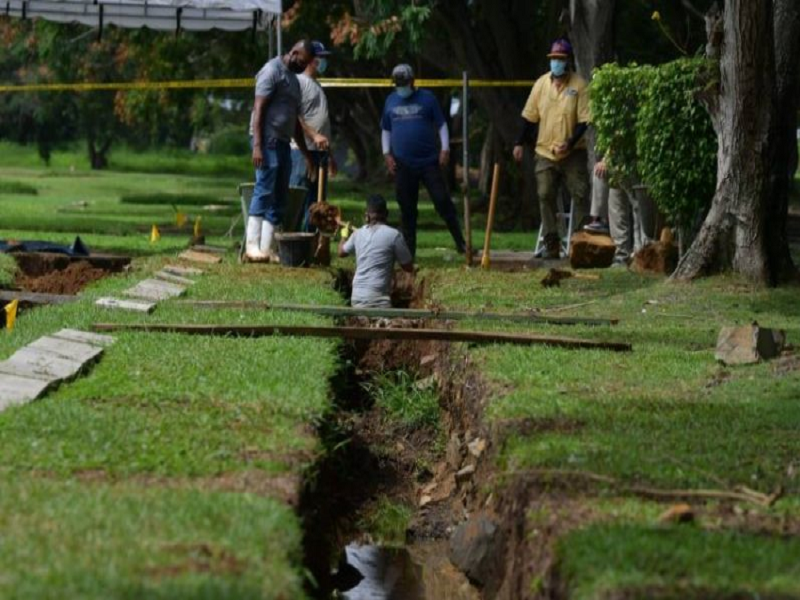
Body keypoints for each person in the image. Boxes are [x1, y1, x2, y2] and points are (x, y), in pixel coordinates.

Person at [246, 40, 328, 262]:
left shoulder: (293, 80)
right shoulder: (272, 71)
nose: (303, 67)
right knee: (264, 188)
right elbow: (259, 109)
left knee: (280, 195)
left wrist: (306, 154)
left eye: (306, 64)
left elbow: (295, 124)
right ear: (293, 53)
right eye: (302, 61)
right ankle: (251, 246)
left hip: (283, 142)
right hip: (266, 141)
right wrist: (257, 146)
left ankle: (266, 248)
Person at [513, 38, 590, 259]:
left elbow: (584, 121)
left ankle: (579, 242)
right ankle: (551, 243)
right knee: (544, 193)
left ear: (567, 61)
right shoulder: (541, 84)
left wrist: (570, 142)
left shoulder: (579, 85)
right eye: (553, 59)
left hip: (572, 152)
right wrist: (519, 142)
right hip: (545, 152)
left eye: (560, 59)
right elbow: (529, 117)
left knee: (580, 191)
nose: (556, 63)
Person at [381, 64, 466, 258]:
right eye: (398, 84)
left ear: (413, 82)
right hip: (403, 163)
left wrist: (445, 148)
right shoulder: (390, 101)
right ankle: (409, 252)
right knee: (407, 208)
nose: (400, 87)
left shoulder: (428, 99)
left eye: (403, 83)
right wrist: (387, 154)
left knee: (442, 201)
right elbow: (385, 129)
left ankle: (460, 242)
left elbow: (442, 124)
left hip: (428, 162)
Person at [290, 40, 338, 231]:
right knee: (299, 199)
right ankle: (291, 239)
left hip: (320, 153)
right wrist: (312, 136)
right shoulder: (300, 83)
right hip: (303, 152)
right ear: (311, 60)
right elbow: (295, 116)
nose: (324, 62)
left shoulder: (316, 85)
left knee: (316, 205)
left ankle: (309, 243)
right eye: (321, 58)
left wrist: (331, 155)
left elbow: (323, 126)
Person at [338, 194, 414, 308]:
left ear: (366, 216)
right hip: (380, 302)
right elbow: (408, 267)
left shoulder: (357, 234)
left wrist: (344, 236)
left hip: (357, 299)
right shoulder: (394, 235)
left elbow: (341, 252)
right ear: (386, 214)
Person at [594, 158, 656, 266]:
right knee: (616, 203)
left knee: (638, 205)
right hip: (616, 162)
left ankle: (641, 252)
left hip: (634, 161)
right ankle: (621, 254)